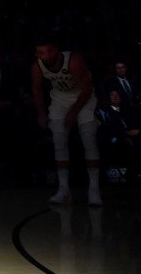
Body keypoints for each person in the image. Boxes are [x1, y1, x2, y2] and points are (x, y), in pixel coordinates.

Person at [32, 40, 100, 205]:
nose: (46, 56)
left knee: (89, 140)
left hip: (84, 98)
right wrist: (41, 113)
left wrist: (73, 112)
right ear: (37, 54)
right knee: (59, 143)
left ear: (56, 50)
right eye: (41, 52)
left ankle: (94, 189)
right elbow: (37, 89)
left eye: (49, 51)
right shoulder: (37, 66)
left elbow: (87, 88)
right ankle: (63, 189)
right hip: (60, 99)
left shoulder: (73, 61)